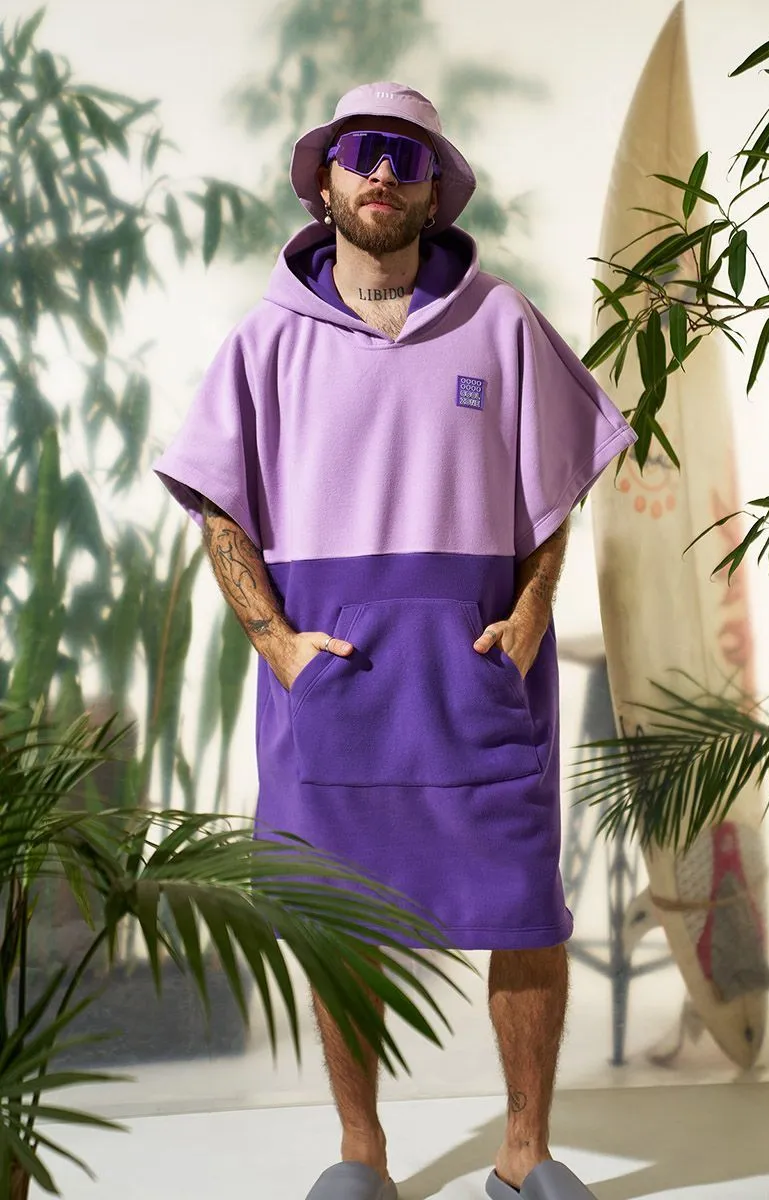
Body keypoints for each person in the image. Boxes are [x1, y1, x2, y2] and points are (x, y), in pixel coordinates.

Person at [154, 82, 635, 1200]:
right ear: (322, 182)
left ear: (433, 190)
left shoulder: (500, 323)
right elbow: (218, 507)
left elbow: (555, 492)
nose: (381, 172)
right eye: (361, 152)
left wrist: (531, 610)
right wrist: (277, 645)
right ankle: (361, 1151)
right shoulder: (267, 340)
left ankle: (524, 1152)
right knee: (343, 921)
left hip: (477, 680)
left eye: (405, 157)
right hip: (335, 685)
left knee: (525, 911)